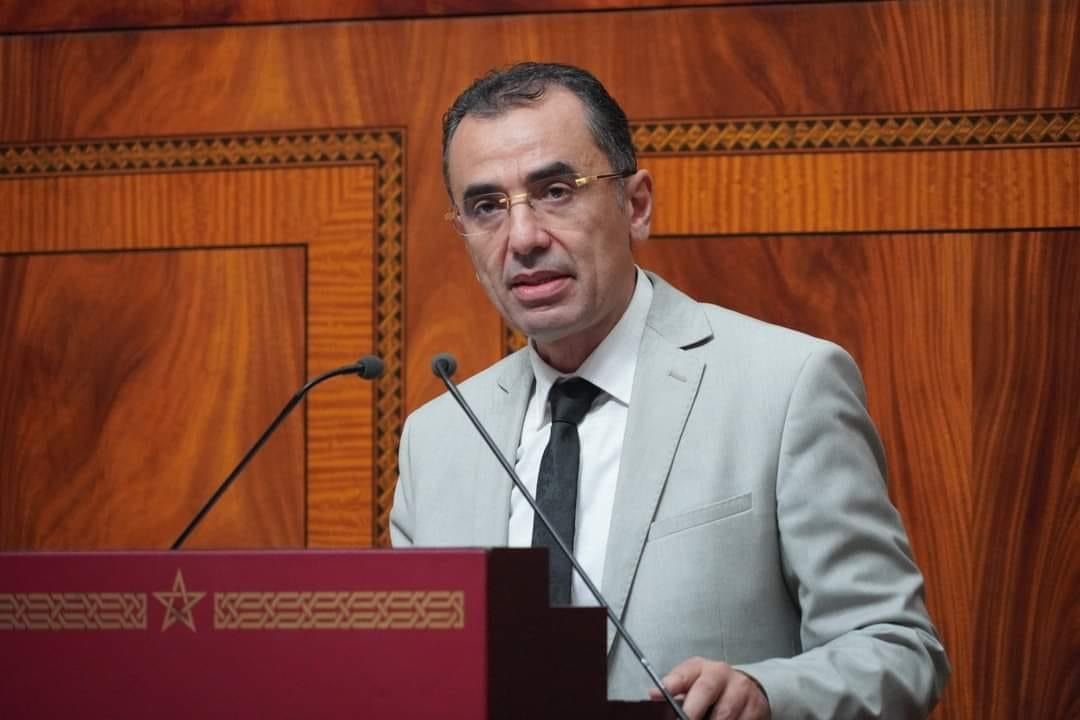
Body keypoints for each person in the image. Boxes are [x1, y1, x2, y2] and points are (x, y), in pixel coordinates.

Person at [390, 62, 949, 719]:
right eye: (487, 207)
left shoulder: (788, 386)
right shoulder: (438, 438)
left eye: (556, 191)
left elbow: (899, 651)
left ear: (636, 206)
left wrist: (768, 694)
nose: (523, 238)